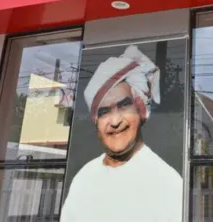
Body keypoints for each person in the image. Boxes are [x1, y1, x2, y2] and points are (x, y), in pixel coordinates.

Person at [61, 45, 183, 222]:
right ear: (96, 123)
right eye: (103, 112)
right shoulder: (84, 178)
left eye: (124, 105)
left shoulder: (166, 181)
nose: (115, 121)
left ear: (141, 111)